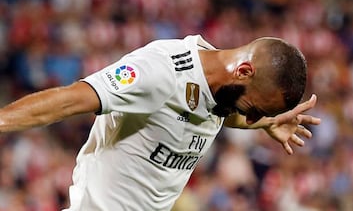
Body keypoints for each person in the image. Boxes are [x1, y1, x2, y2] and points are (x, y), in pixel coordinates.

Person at [0, 34, 321, 211]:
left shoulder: (222, 92)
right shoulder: (161, 72)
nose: (250, 117)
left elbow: (222, 111)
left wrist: (264, 122)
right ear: (244, 71)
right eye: (254, 109)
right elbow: (70, 99)